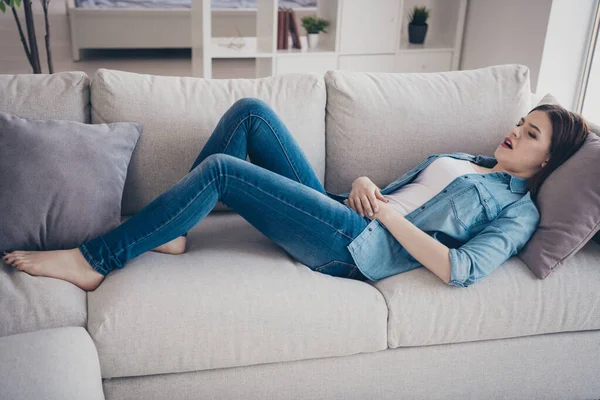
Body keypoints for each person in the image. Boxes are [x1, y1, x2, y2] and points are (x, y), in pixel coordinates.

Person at [2, 98, 590, 291]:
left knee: (223, 172)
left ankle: (93, 259)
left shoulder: (518, 211)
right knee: (251, 114)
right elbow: (398, 193)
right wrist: (366, 186)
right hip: (347, 210)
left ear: (548, 159)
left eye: (530, 134)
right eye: (522, 121)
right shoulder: (468, 159)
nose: (515, 131)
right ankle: (175, 230)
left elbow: (461, 269)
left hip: (357, 249)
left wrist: (385, 216)